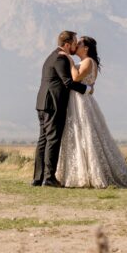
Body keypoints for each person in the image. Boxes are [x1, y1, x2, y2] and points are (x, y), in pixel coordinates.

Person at [58, 36, 127, 188]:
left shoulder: (88, 61)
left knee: (86, 135)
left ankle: (90, 173)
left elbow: (75, 78)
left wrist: (69, 60)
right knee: (80, 135)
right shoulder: (87, 62)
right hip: (79, 100)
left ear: (86, 48)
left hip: (82, 103)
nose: (76, 45)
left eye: (80, 43)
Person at [33, 30, 93, 187]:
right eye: (74, 43)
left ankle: (38, 178)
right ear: (67, 45)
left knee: (43, 140)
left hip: (43, 103)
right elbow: (67, 82)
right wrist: (87, 89)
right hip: (53, 103)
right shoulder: (61, 58)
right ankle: (49, 178)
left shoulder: (52, 56)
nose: (75, 46)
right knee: (53, 139)